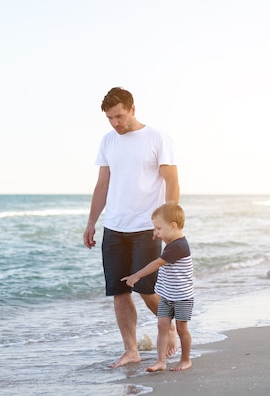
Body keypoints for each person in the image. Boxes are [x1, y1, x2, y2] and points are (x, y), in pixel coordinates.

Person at [83, 87, 180, 368]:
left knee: (146, 289)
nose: (116, 123)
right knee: (119, 291)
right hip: (114, 227)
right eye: (110, 118)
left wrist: (168, 224)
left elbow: (172, 181)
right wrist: (91, 222)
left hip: (146, 228)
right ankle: (131, 350)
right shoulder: (108, 141)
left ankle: (170, 328)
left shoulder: (157, 137)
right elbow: (102, 185)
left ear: (133, 109)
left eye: (120, 116)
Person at [121, 202, 193, 372]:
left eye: (158, 228)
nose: (156, 233)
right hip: (167, 295)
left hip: (182, 296)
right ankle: (161, 361)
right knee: (162, 326)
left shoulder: (179, 246)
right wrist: (160, 234)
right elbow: (163, 253)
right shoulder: (172, 242)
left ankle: (186, 359)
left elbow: (157, 263)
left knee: (182, 329)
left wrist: (136, 275)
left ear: (173, 226)